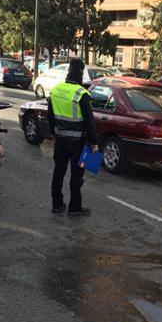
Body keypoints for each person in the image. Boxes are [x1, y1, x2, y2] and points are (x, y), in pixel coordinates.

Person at [48, 58, 98, 217]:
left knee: (58, 173)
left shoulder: (56, 90)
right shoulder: (82, 94)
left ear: (68, 70)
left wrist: (53, 133)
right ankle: (74, 208)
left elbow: (50, 115)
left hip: (60, 140)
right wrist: (94, 142)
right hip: (78, 143)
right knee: (76, 176)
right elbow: (90, 122)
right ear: (81, 73)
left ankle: (57, 204)